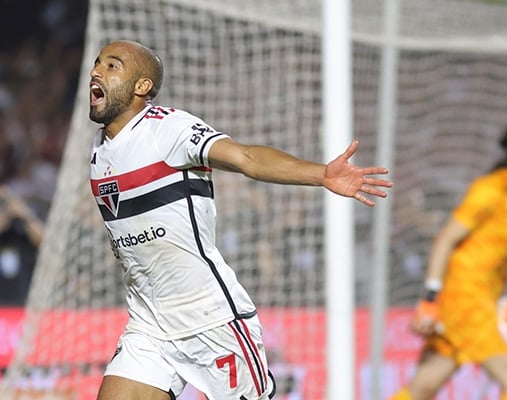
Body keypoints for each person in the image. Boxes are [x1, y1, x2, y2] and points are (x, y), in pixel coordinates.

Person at [87, 40, 392, 400]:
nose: (96, 71)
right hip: (149, 323)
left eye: (112, 65)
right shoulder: (99, 148)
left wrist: (322, 173)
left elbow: (247, 157)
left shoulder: (167, 129)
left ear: (142, 87)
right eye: (97, 63)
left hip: (212, 320)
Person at [389, 123, 507, 400]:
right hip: (466, 298)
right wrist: (430, 297)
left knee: (425, 385)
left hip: (482, 298)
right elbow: (445, 239)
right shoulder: (490, 190)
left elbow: (496, 257)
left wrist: (500, 299)